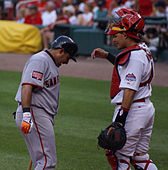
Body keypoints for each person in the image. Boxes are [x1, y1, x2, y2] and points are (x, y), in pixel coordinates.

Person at [91, 8, 158, 170]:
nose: (114, 40)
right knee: (140, 158)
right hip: (145, 108)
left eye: (116, 36)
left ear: (127, 35)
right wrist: (108, 56)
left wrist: (120, 121)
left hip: (133, 110)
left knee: (118, 156)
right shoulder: (142, 49)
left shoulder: (134, 57)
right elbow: (128, 69)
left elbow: (130, 89)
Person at [15, 36, 78, 169]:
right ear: (61, 51)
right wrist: (27, 114)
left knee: (42, 161)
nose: (67, 62)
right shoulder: (40, 60)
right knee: (47, 162)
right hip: (34, 112)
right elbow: (27, 86)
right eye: (68, 57)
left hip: (39, 114)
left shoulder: (50, 62)